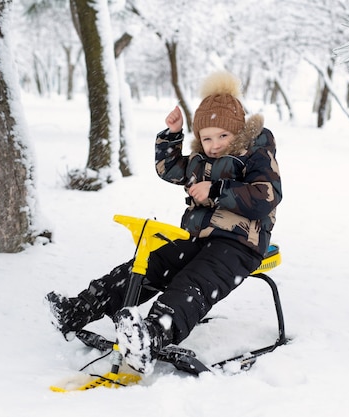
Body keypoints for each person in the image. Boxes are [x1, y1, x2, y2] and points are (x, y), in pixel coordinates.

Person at [46, 71, 282, 375]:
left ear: (238, 133)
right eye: (207, 138)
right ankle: (80, 308)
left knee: (194, 282)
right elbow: (169, 169)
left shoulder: (255, 155)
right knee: (148, 265)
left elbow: (268, 195)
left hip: (240, 244)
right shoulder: (202, 160)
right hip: (196, 237)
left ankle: (153, 334)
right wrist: (172, 135)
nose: (214, 145)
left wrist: (218, 190)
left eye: (223, 136)